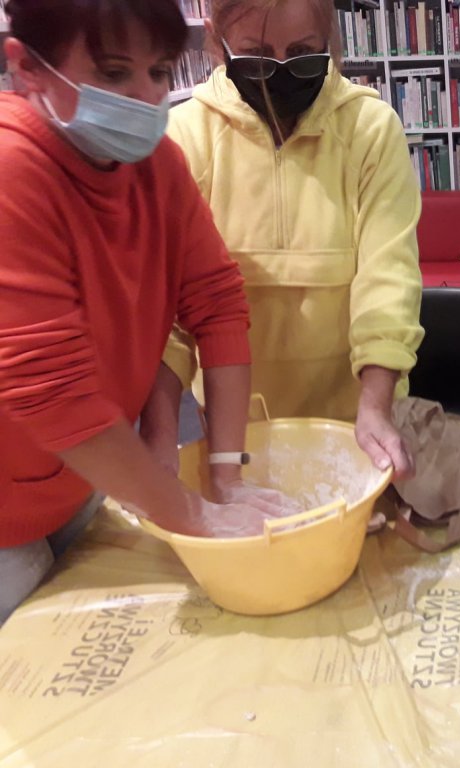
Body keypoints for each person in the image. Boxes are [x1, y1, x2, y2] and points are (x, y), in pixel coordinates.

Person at [0, 0, 296, 624]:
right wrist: (194, 516)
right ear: (25, 66)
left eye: (159, 72)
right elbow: (51, 394)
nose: (144, 97)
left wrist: (226, 473)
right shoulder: (12, 171)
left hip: (79, 484)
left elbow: (216, 305)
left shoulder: (159, 167)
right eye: (113, 73)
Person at [140, 0, 424, 479]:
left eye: (301, 53)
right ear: (215, 40)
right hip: (237, 434)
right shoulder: (186, 140)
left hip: (355, 421)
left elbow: (387, 281)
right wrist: (159, 437)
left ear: (330, 39)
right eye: (255, 54)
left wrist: (375, 407)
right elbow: (167, 319)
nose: (278, 73)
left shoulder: (370, 131)